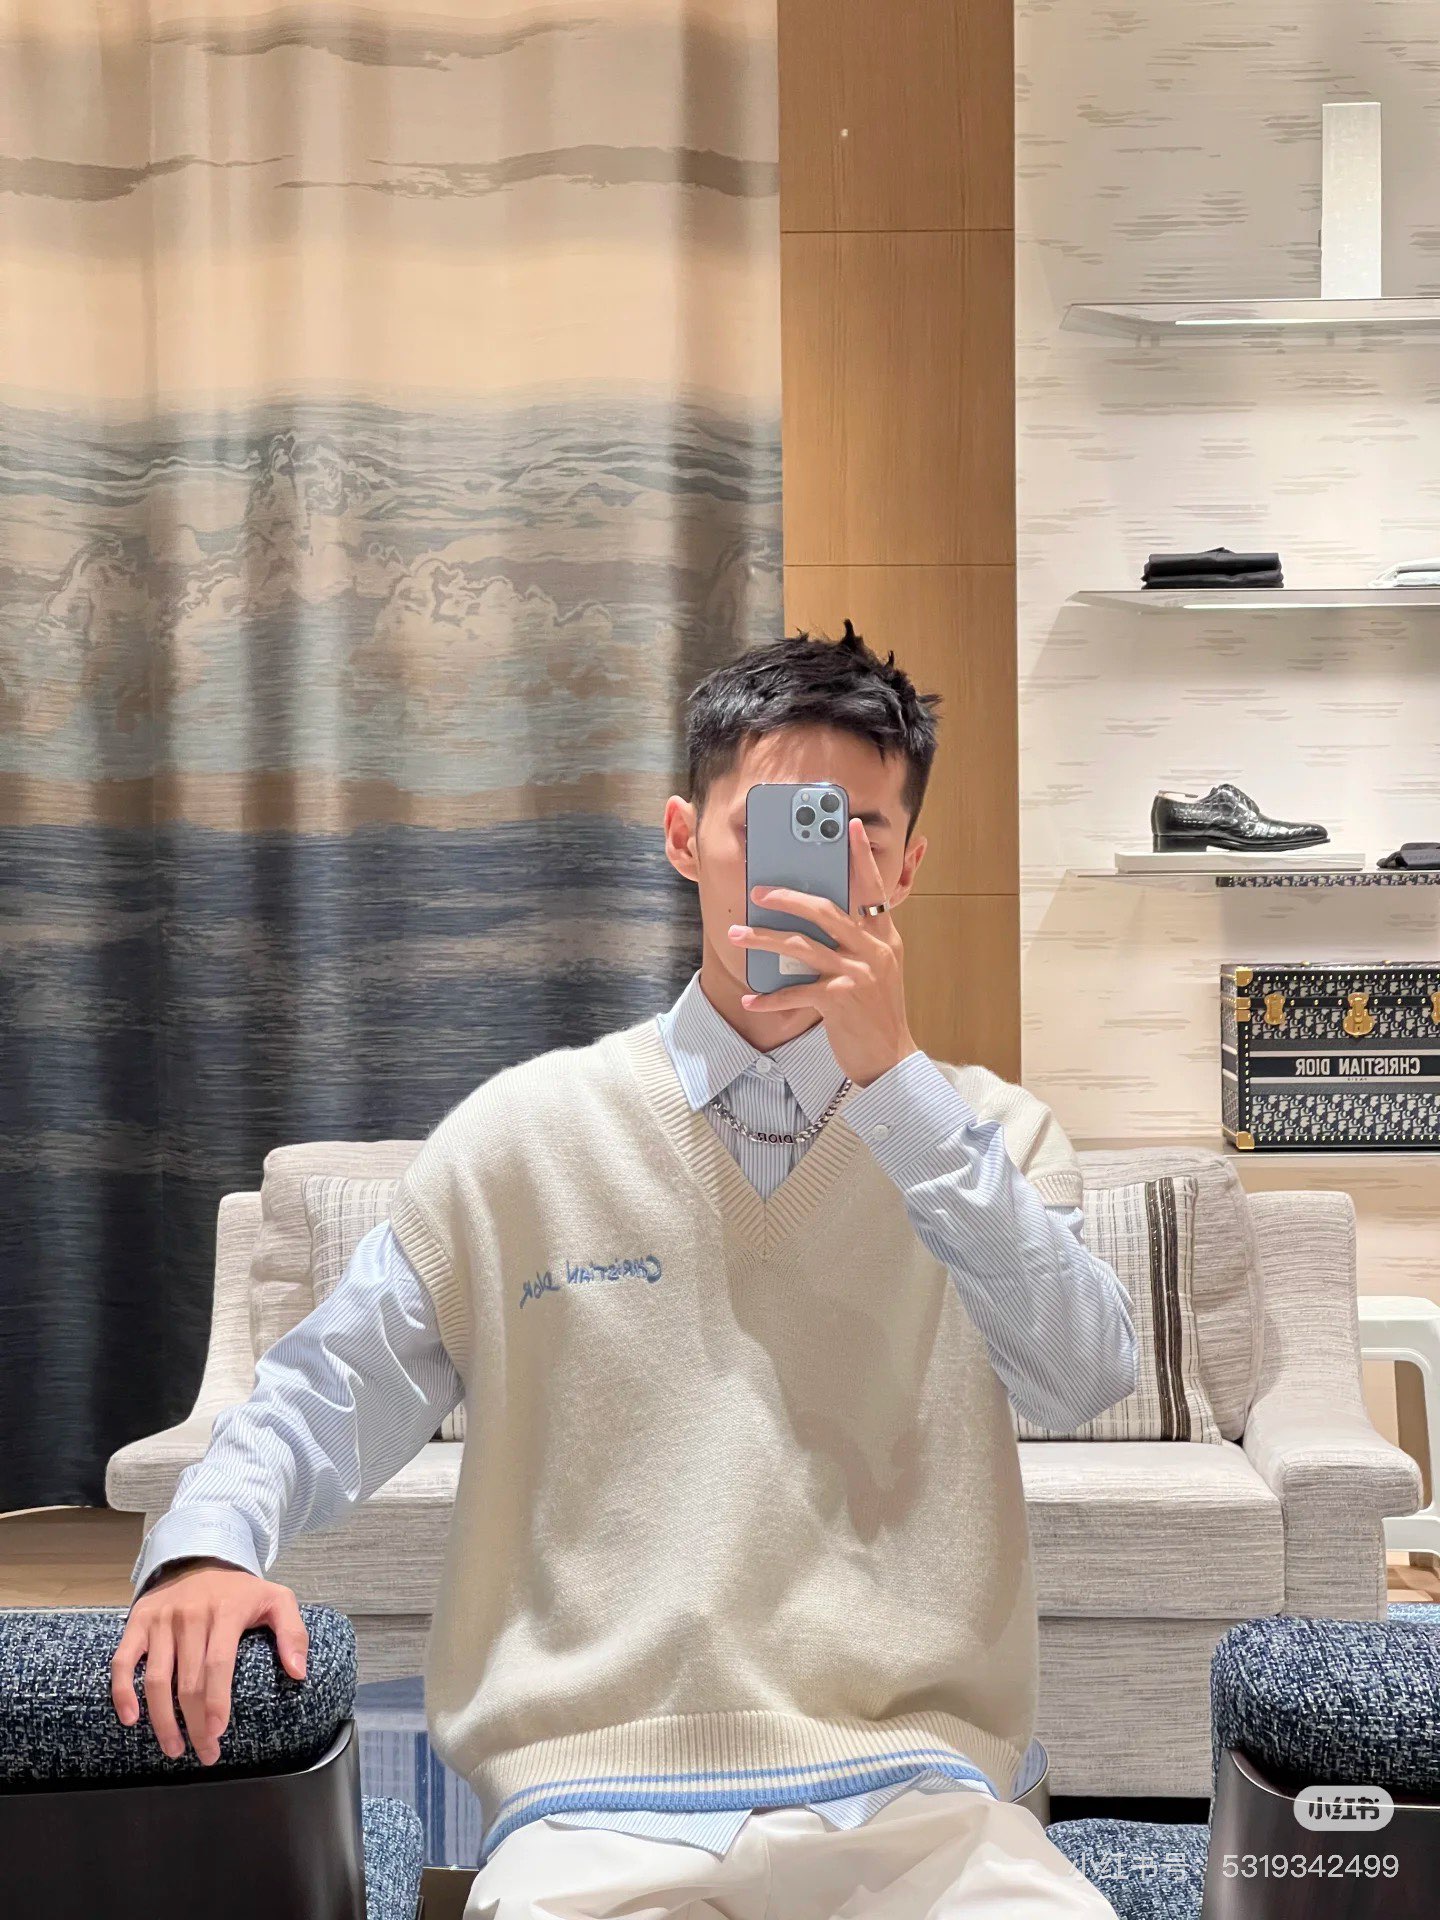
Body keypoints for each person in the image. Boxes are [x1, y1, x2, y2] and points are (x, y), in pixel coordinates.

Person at [113, 623, 1137, 1917]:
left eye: (858, 832)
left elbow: (1081, 1374)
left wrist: (896, 1088)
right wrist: (206, 1546)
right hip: (590, 1815)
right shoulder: (523, 1137)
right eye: (773, 829)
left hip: (922, 1808)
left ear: (908, 866)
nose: (820, 870)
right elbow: (327, 1388)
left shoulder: (988, 1136)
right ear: (684, 839)